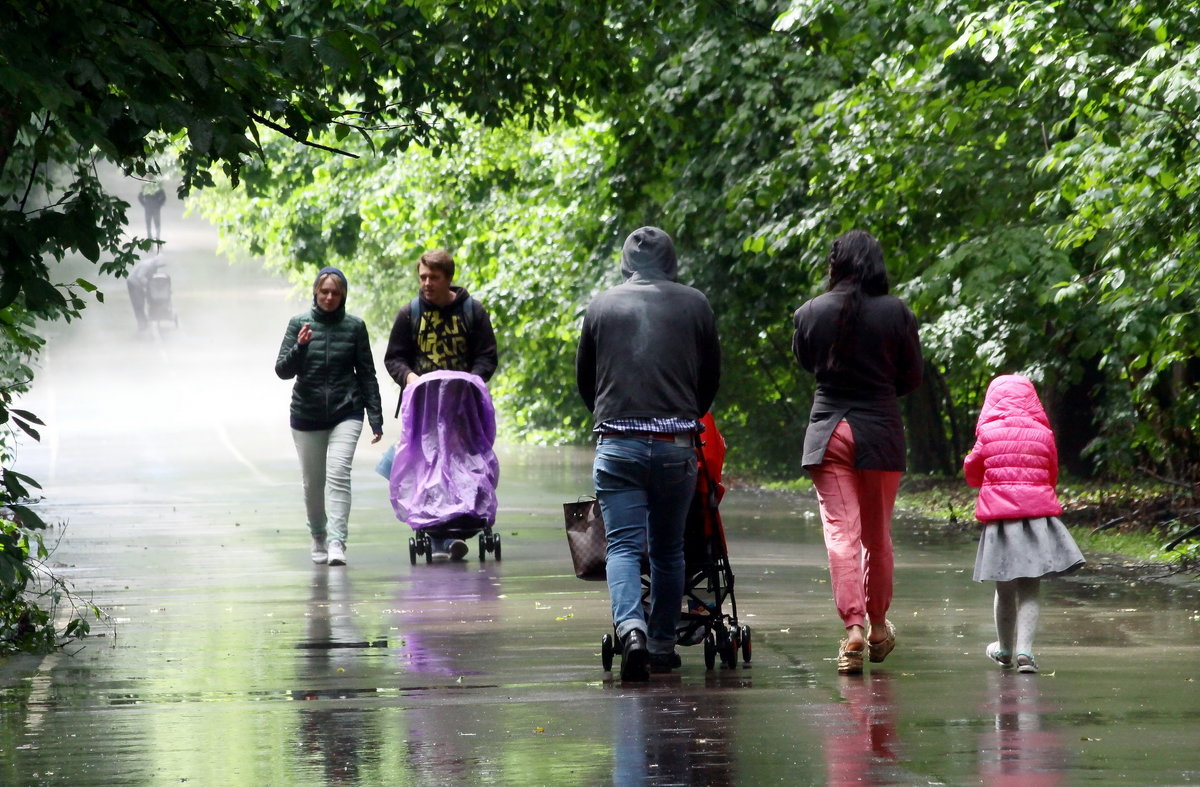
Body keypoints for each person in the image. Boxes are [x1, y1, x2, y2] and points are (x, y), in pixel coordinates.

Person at [576, 226, 721, 681]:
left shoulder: (601, 305)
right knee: (668, 549)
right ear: (671, 260)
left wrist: (613, 419)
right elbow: (711, 376)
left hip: (618, 445)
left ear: (626, 262)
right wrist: (684, 414)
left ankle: (631, 629)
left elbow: (586, 379)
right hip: (676, 446)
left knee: (622, 545)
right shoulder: (695, 303)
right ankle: (661, 644)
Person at [792, 229, 922, 675]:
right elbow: (910, 378)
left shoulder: (810, 313)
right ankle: (880, 627)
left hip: (830, 432)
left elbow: (808, 364)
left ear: (836, 264)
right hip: (880, 432)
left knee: (841, 534)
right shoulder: (897, 313)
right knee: (877, 536)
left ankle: (852, 632)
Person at [964, 374, 1085, 674]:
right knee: (1030, 588)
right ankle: (1025, 653)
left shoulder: (989, 433)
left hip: (1000, 523)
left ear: (992, 401)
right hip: (1036, 521)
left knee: (1004, 590)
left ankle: (1004, 650)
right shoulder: (1044, 434)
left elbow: (972, 472)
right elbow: (1052, 473)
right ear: (1032, 400)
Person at [384, 249, 498, 561]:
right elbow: (394, 357)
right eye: (422, 277)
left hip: (464, 411)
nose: (426, 283)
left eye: (433, 277)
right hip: (423, 411)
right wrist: (408, 379)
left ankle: (462, 524)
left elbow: (487, 355)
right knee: (426, 471)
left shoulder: (472, 311)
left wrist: (472, 382)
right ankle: (440, 538)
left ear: (448, 278)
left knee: (466, 468)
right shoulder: (410, 313)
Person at [276, 267, 384, 566]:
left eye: (335, 292)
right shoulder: (298, 324)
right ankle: (318, 535)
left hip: (345, 410)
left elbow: (366, 373)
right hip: (306, 413)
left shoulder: (355, 327)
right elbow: (282, 370)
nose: (329, 297)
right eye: (324, 291)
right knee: (313, 483)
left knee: (338, 474)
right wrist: (300, 346)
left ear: (343, 296)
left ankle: (338, 540)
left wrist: (375, 417)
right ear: (315, 292)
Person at [126, 255, 163, 330]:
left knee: (141, 302)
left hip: (139, 285)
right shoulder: (147, 265)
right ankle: (142, 324)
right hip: (133, 283)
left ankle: (144, 322)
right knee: (138, 304)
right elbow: (140, 276)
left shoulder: (153, 267)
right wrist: (148, 285)